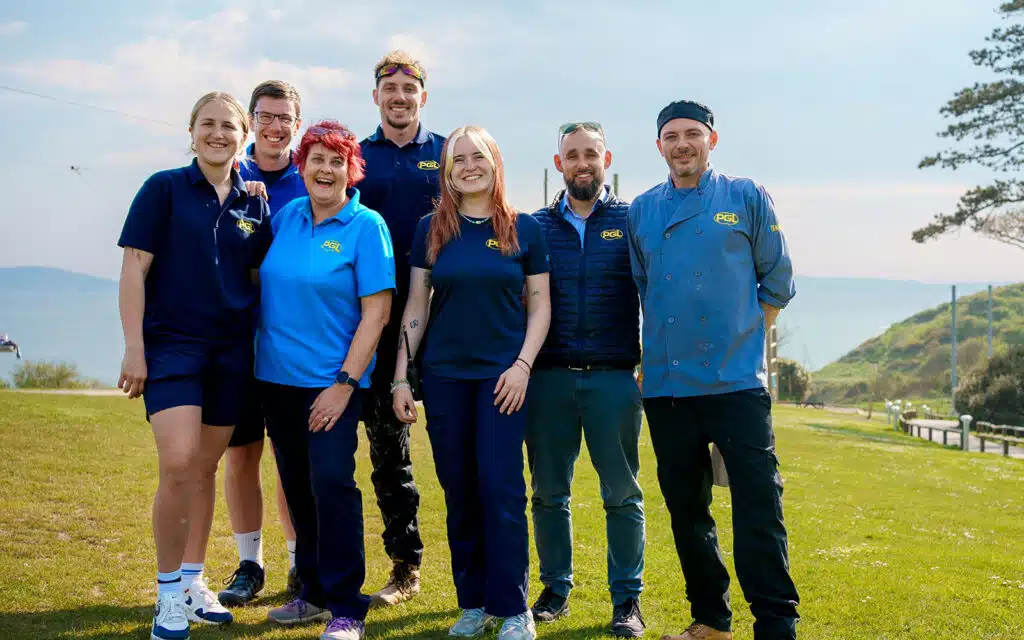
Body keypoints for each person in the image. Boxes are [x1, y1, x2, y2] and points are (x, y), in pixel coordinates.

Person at [626, 100, 800, 640]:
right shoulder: (641, 210)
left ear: (712, 140)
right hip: (667, 387)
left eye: (693, 134)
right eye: (672, 136)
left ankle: (775, 622)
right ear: (659, 146)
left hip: (736, 384)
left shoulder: (746, 196)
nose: (683, 144)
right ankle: (711, 619)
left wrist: (743, 342)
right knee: (687, 510)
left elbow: (777, 282)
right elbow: (645, 288)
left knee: (758, 506)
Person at [117, 91, 272, 640]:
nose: (219, 134)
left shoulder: (256, 203)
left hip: (232, 352)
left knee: (205, 469)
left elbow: (257, 279)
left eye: (229, 127)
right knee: (180, 462)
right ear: (191, 131)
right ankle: (165, 597)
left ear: (241, 135)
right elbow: (134, 269)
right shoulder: (162, 188)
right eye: (209, 125)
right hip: (173, 346)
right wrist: (134, 348)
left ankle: (191, 579)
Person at [392, 125, 551, 640]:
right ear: (447, 170)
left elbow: (540, 306)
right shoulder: (431, 230)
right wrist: (400, 376)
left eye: (477, 156)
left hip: (503, 380)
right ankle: (473, 604)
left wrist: (523, 365)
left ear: (495, 162)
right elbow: (417, 306)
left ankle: (514, 609)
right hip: (444, 380)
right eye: (457, 159)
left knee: (501, 490)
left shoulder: (525, 229)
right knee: (459, 491)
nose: (468, 166)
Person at [258, 120, 395, 640]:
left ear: (350, 169)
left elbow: (376, 315)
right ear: (303, 165)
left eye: (337, 160)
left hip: (332, 384)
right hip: (274, 379)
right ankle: (311, 593)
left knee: (333, 483)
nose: (326, 169)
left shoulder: (367, 226)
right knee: (297, 486)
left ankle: (345, 608)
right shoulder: (288, 215)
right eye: (317, 158)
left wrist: (343, 384)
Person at [527, 121, 646, 637]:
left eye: (590, 154)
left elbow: (655, 294)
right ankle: (555, 590)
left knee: (622, 494)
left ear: (607, 159)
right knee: (549, 493)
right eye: (572, 155)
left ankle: (627, 602)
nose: (582, 163)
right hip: (549, 379)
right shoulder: (534, 226)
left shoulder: (634, 220)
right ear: (559, 164)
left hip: (614, 379)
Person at [356, 49, 444, 606]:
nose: (400, 98)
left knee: (465, 449)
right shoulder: (358, 157)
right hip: (380, 322)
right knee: (390, 452)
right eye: (390, 90)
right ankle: (405, 566)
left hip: (450, 318)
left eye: (409, 90)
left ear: (422, 97)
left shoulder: (448, 154)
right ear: (377, 97)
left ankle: (483, 570)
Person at [218, 79, 307, 606]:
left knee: (291, 458)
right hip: (237, 343)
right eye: (266, 116)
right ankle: (250, 564)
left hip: (294, 345)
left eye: (285, 118)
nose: (276, 127)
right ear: (251, 120)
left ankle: (301, 566)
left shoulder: (311, 175)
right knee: (242, 454)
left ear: (297, 123)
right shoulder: (230, 174)